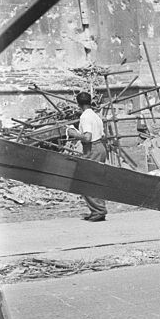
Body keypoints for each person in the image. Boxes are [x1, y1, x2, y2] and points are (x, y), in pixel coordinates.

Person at [65, 91, 108, 221]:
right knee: (95, 180)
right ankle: (97, 210)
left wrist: (73, 133)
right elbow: (102, 135)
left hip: (92, 148)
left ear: (78, 104)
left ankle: (98, 210)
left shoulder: (85, 117)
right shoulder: (95, 116)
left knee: (85, 181)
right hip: (100, 147)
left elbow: (88, 137)